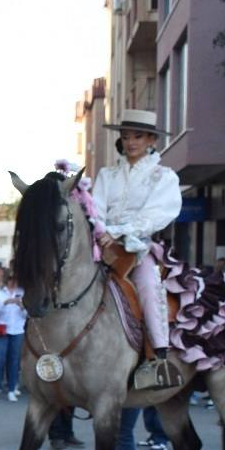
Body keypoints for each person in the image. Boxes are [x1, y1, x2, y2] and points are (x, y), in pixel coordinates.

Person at [90, 109, 184, 390]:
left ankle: (157, 357)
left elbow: (157, 214)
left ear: (151, 140)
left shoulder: (163, 176)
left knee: (147, 285)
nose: (131, 142)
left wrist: (117, 232)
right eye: (126, 136)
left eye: (138, 136)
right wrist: (100, 231)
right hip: (103, 247)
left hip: (138, 249)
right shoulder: (107, 174)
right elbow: (95, 208)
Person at [0, 269, 25, 401]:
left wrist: (21, 306)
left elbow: (27, 315)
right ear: (7, 280)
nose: (13, 282)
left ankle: (12, 389)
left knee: (14, 361)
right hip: (1, 329)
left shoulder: (23, 293)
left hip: (17, 330)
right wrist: (5, 302)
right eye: (11, 279)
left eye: (15, 280)